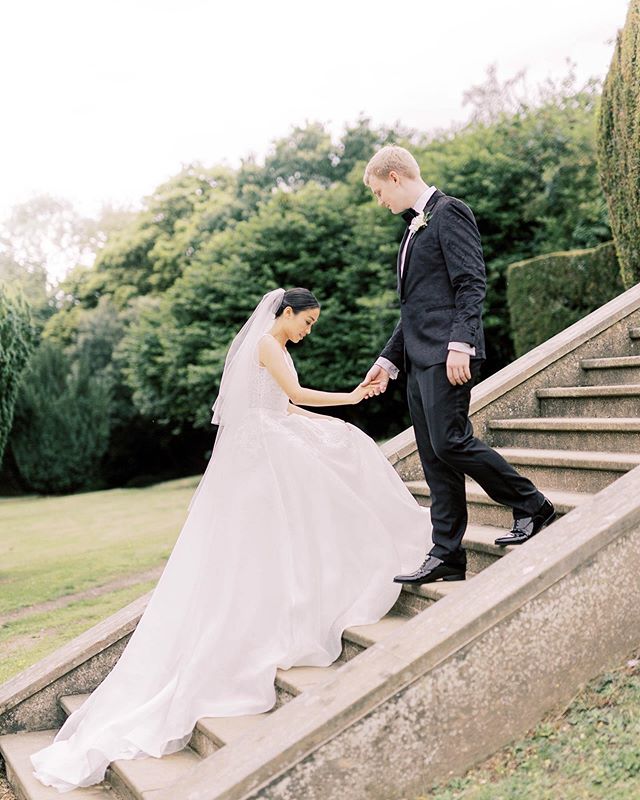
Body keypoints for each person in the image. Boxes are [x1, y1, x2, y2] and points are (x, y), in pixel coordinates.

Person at [30, 286, 428, 793]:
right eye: (306, 322)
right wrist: (351, 398)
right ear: (285, 314)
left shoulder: (275, 347)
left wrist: (329, 418)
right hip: (264, 451)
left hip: (271, 438)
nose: (309, 331)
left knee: (333, 464)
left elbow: (287, 407)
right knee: (324, 481)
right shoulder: (266, 343)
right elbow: (296, 397)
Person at [361, 145, 556, 585]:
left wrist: (460, 344)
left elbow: (471, 282)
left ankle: (533, 504)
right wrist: (388, 362)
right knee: (433, 457)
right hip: (417, 358)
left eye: (377, 191)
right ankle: (447, 555)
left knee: (450, 442)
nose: (380, 201)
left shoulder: (449, 212)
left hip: (448, 354)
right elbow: (415, 307)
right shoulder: (412, 228)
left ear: (394, 177)